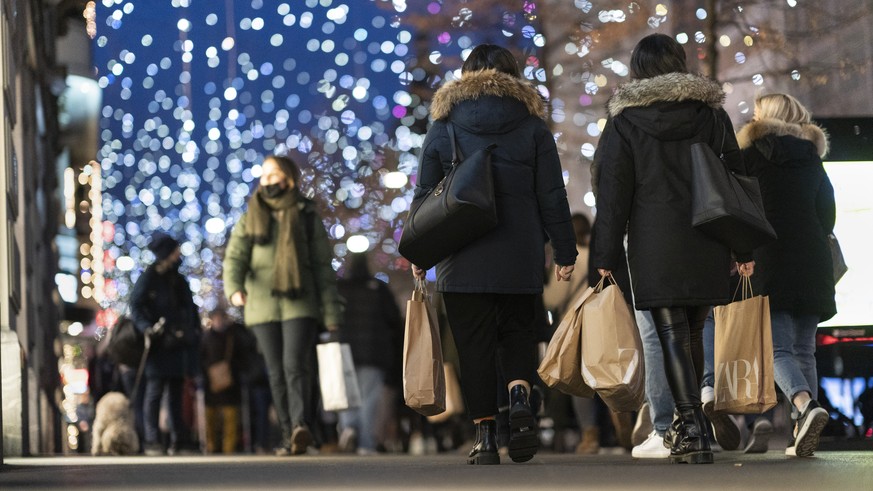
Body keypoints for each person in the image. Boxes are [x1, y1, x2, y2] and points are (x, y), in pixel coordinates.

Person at [590, 33, 755, 464]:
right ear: (679, 63)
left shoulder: (624, 122)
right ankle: (691, 421)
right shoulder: (712, 116)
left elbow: (613, 195)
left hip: (653, 240)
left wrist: (604, 257)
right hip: (707, 237)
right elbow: (736, 180)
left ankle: (691, 427)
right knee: (693, 331)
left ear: (638, 70)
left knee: (670, 335)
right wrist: (742, 246)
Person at [411, 43, 577, 465]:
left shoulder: (444, 125)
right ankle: (520, 394)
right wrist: (564, 250)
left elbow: (425, 195)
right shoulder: (534, 127)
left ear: (466, 76)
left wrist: (419, 249)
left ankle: (485, 437)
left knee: (473, 347)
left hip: (460, 254)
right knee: (518, 332)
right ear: (514, 76)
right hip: (520, 252)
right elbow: (552, 196)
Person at [735, 93, 836, 457]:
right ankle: (802, 434)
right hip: (812, 261)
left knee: (777, 348)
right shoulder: (812, 158)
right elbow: (828, 213)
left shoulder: (749, 156)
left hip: (770, 256)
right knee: (804, 349)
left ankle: (805, 405)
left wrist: (741, 253)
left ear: (764, 117)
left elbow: (740, 210)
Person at [223, 154, 343, 456]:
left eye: (273, 174)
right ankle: (289, 433)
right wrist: (234, 288)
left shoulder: (305, 214)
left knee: (295, 365)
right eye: (263, 175)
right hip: (262, 304)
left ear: (288, 178)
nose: (267, 180)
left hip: (300, 303)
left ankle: (302, 426)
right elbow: (235, 256)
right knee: (275, 371)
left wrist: (330, 312)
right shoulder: (250, 216)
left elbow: (321, 266)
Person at [130, 232, 201, 456]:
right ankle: (153, 440)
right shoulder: (151, 276)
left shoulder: (178, 279)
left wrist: (192, 331)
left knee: (176, 393)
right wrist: (148, 329)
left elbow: (190, 309)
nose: (178, 254)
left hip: (179, 345)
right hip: (159, 344)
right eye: (175, 250)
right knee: (155, 391)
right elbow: (136, 305)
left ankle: (179, 439)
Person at [335, 253, 403, 455]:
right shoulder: (379, 289)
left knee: (347, 396)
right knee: (369, 399)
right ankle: (365, 443)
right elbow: (394, 320)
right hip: (374, 353)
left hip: (345, 351)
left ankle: (348, 428)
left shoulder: (340, 289)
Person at [200, 308, 252, 454]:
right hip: (210, 383)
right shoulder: (206, 337)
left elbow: (242, 357)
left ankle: (229, 448)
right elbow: (201, 358)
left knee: (231, 418)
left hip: (231, 383)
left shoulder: (233, 336)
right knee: (211, 417)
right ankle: (212, 447)